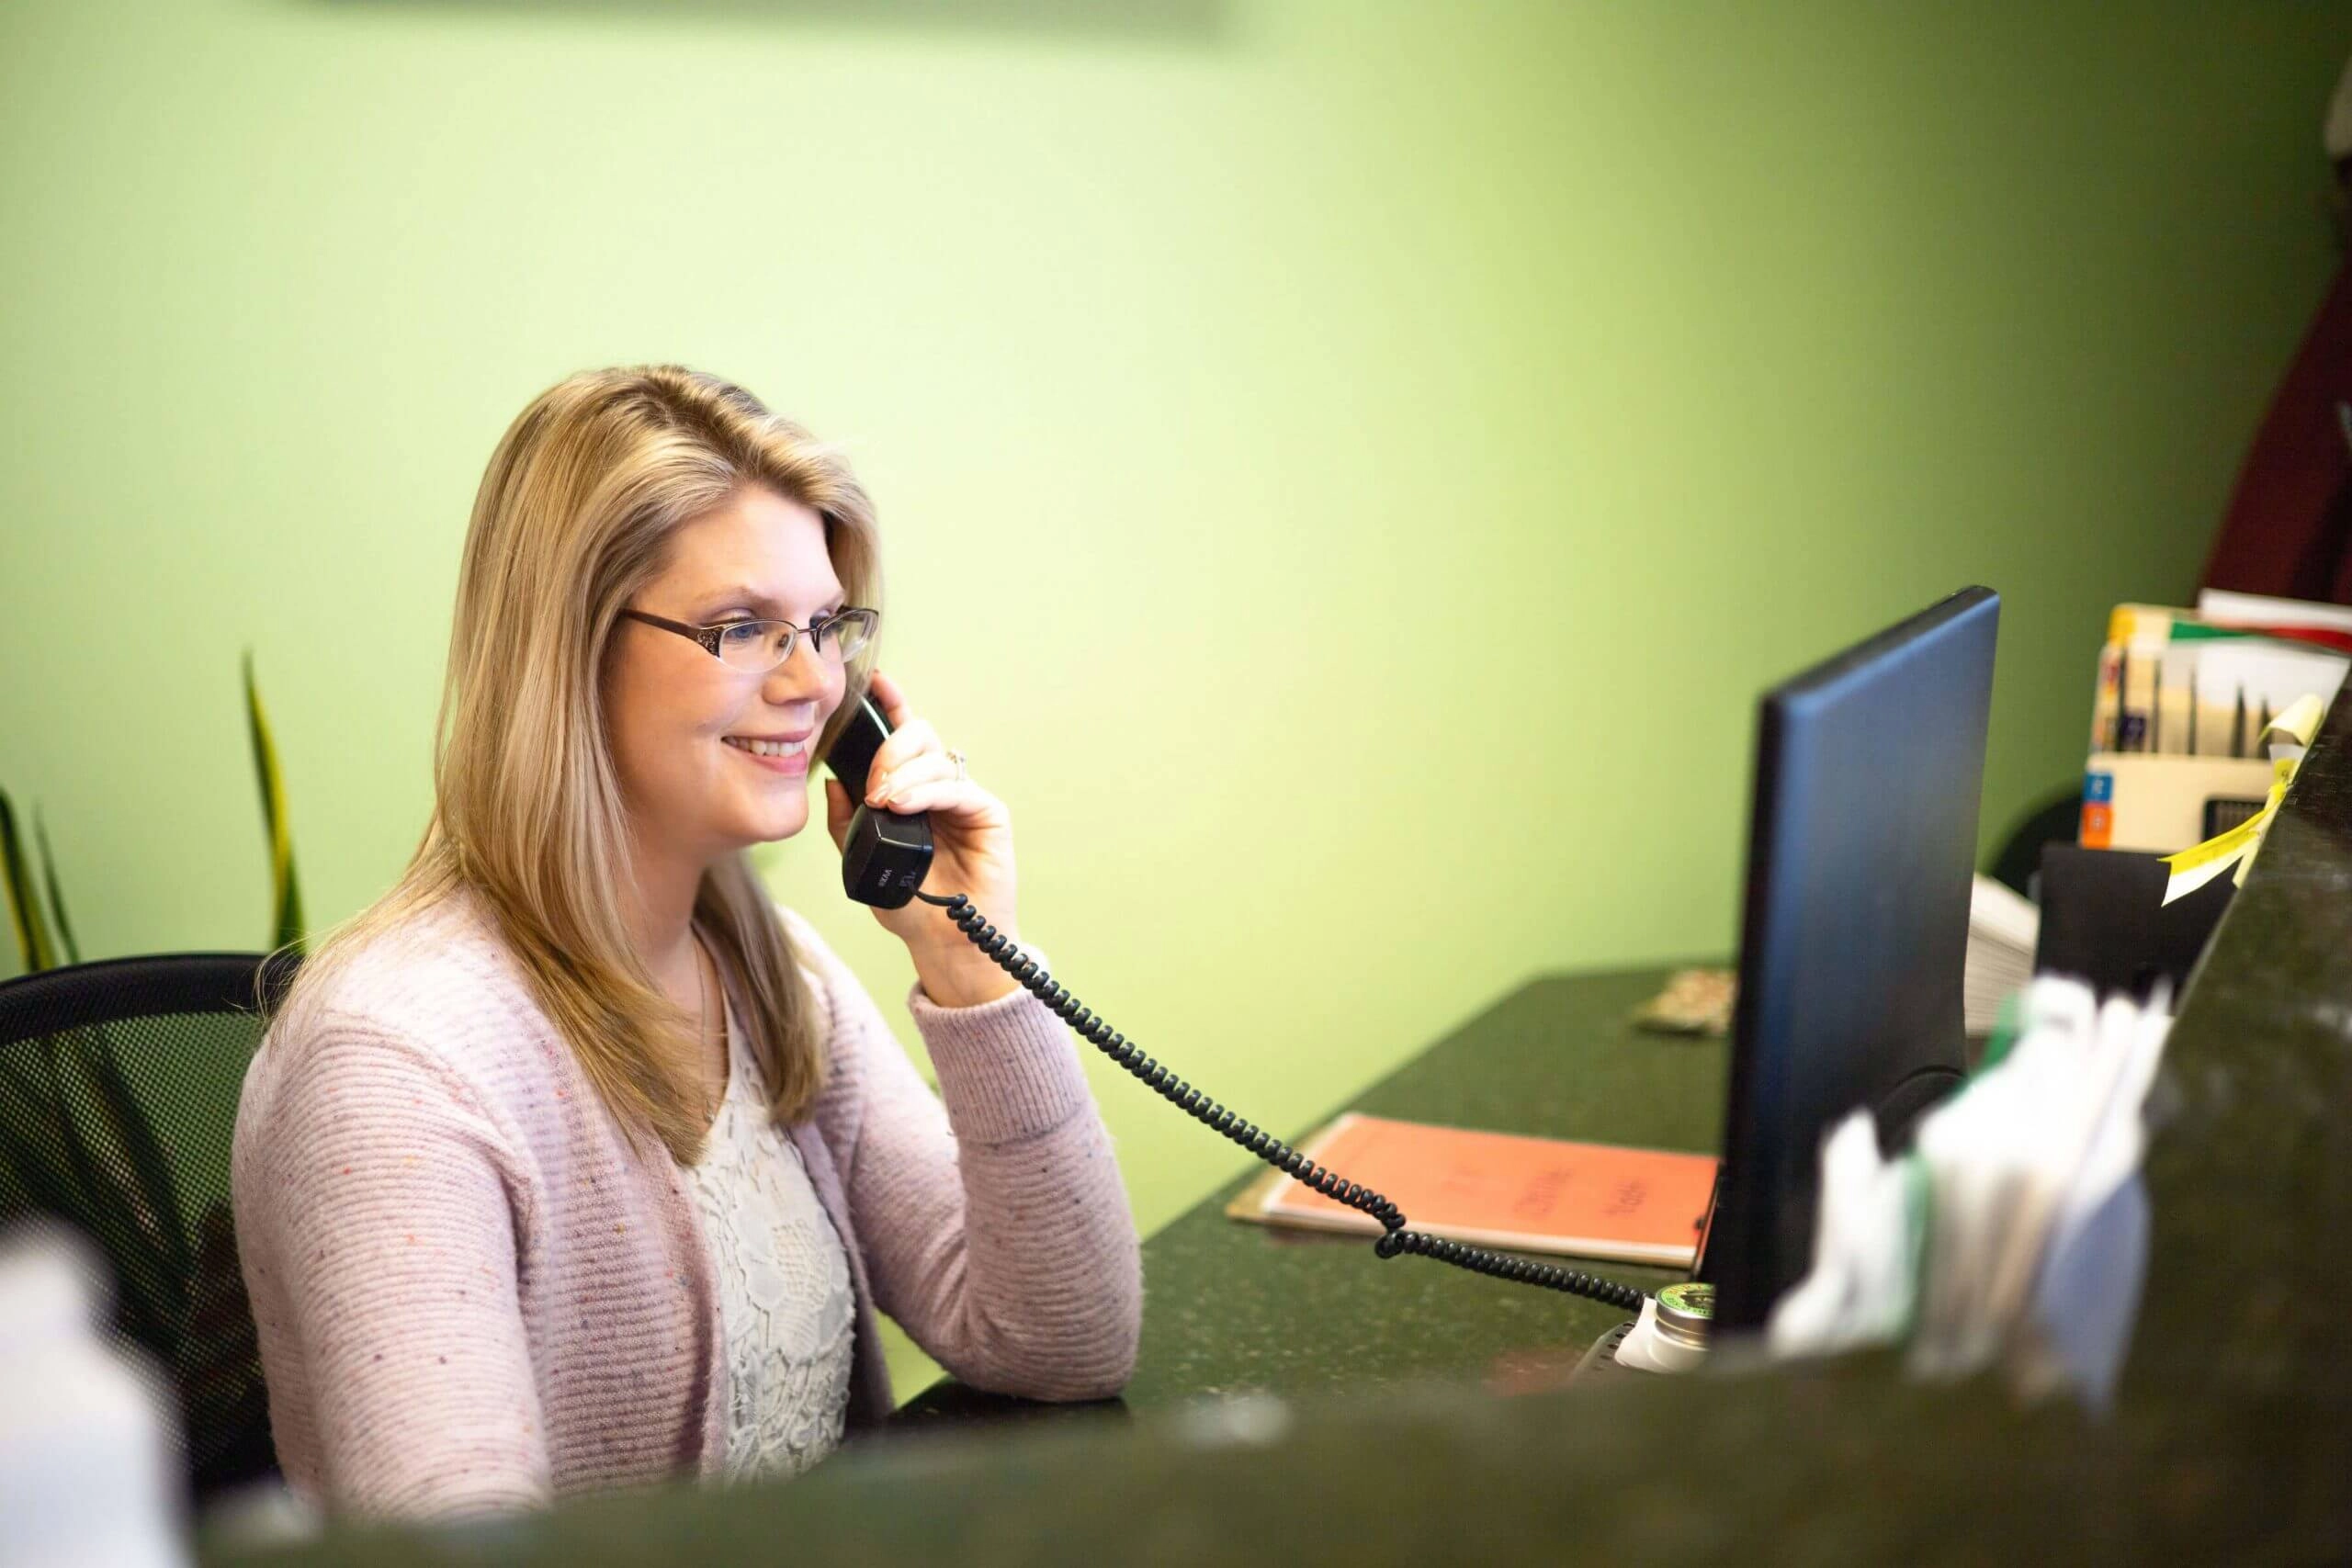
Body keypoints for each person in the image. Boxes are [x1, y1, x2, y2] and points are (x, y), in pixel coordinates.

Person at [231, 366, 1143, 1519]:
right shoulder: (394, 1067)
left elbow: (1062, 1343)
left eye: (824, 628)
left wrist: (969, 965)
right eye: (741, 628)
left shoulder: (773, 971)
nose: (814, 684)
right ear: (569, 650)